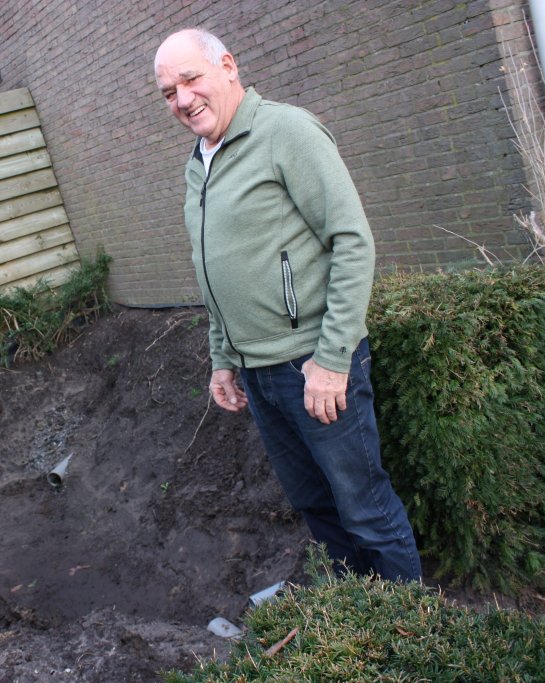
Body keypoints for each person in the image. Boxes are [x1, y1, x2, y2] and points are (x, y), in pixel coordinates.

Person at [153, 28, 421, 582]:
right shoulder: (198, 161)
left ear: (227, 66)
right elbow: (217, 266)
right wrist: (222, 357)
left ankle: (410, 633)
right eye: (167, 92)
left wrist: (331, 358)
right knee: (316, 509)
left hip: (312, 366)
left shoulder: (286, 131)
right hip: (257, 374)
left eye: (190, 79)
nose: (182, 100)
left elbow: (351, 240)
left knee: (365, 508)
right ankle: (354, 622)